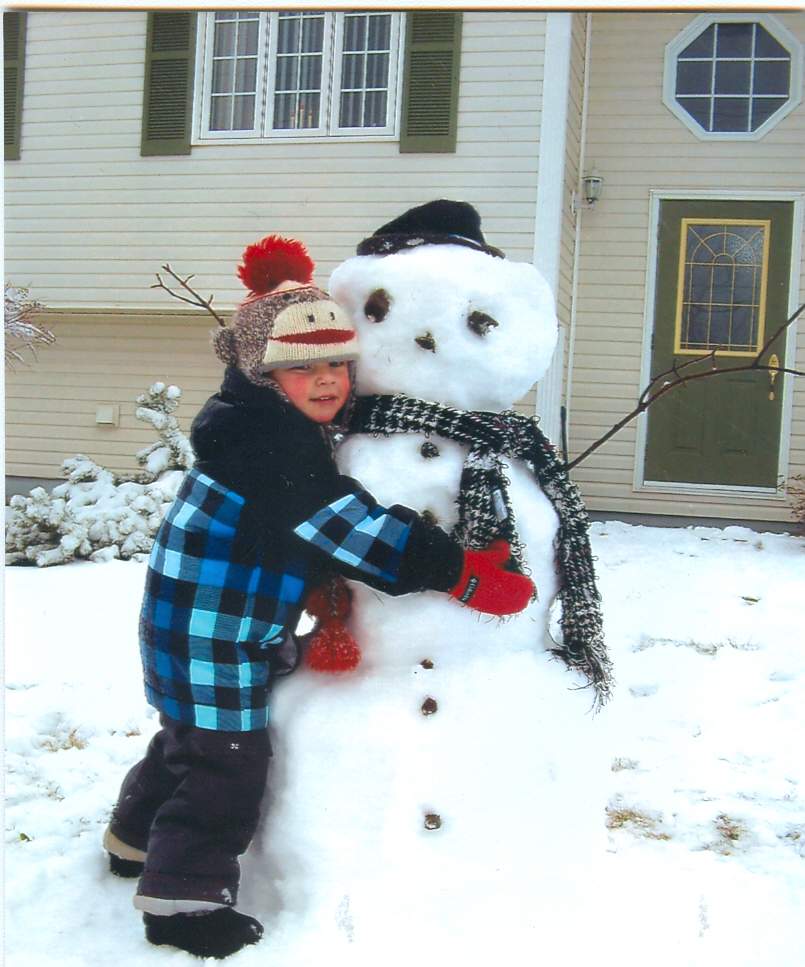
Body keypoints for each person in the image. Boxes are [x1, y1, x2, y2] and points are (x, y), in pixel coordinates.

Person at [103, 236, 534, 959]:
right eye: (303, 367)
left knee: (188, 737)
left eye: (337, 361)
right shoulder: (270, 450)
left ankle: (132, 838)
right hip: (213, 631)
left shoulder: (251, 427)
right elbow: (352, 530)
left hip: (190, 623)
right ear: (266, 376)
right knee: (225, 764)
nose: (328, 379)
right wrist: (458, 570)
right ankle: (181, 902)